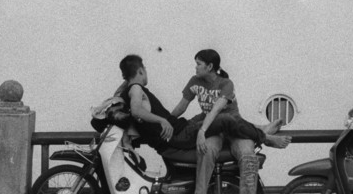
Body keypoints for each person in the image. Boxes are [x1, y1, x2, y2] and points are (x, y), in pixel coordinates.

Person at [118, 54, 289, 153]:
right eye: (144, 69)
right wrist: (162, 120)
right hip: (179, 136)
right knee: (225, 119)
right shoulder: (136, 89)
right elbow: (136, 110)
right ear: (141, 71)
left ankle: (259, 128)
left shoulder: (128, 89)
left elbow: (122, 97)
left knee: (211, 115)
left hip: (181, 128)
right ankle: (265, 138)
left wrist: (128, 79)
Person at [170, 49, 275, 194]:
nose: (195, 67)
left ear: (209, 66)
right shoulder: (195, 81)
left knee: (247, 153)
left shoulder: (226, 83)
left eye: (199, 64)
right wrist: (165, 121)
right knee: (205, 150)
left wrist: (202, 131)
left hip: (234, 128)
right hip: (212, 128)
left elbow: (216, 110)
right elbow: (181, 107)